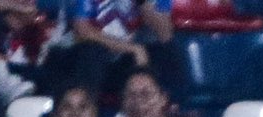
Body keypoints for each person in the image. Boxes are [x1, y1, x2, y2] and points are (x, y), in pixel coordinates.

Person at [44, 0, 172, 99]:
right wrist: (133, 49)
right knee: (92, 51)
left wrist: (144, 4)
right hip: (77, 58)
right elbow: (82, 30)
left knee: (163, 52)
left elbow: (165, 36)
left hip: (120, 62)